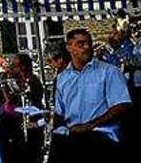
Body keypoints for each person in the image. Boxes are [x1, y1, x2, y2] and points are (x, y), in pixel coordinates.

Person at [51, 29, 130, 163]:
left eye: (89, 43)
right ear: (69, 47)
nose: (87, 47)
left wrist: (89, 126)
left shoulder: (109, 71)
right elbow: (60, 112)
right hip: (73, 136)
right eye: (81, 44)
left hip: (101, 134)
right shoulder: (62, 78)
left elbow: (122, 105)